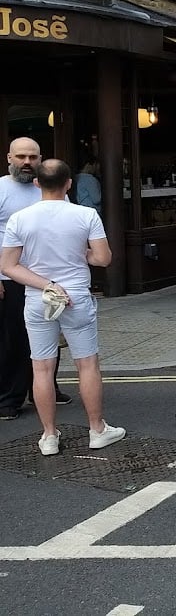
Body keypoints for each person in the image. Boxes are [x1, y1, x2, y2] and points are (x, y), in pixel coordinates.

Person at [0, 159, 124, 455]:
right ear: (69, 183)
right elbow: (104, 258)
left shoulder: (20, 219)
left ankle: (49, 437)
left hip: (38, 298)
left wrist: (46, 284)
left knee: (41, 367)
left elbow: (8, 266)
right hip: (77, 296)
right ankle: (97, 430)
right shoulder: (85, 215)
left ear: (36, 184)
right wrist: (83, 254)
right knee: (87, 364)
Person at [0, 137, 69, 421]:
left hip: (47, 277)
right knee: (13, 339)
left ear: (40, 159)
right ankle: (8, 399)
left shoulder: (51, 188)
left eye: (32, 157)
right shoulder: (1, 188)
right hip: (10, 276)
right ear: (9, 158)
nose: (27, 162)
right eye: (21, 157)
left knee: (49, 335)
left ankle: (45, 387)